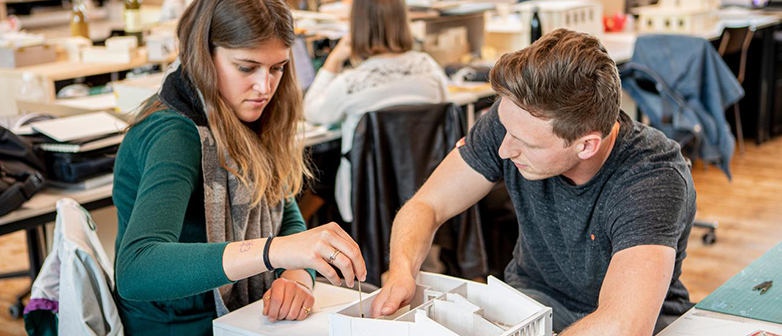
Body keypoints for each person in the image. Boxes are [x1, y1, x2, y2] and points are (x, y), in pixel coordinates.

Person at [370, 29, 696, 335]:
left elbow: (624, 325)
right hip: (528, 304)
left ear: (586, 145)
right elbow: (428, 204)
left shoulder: (651, 178)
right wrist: (401, 271)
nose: (504, 149)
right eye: (505, 129)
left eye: (527, 144)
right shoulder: (516, 119)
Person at [112, 0, 366, 334]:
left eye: (277, 68)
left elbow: (284, 212)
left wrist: (296, 276)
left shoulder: (239, 112)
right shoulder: (175, 134)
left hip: (243, 316)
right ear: (203, 56)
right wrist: (275, 251)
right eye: (247, 68)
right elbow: (137, 270)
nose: (265, 88)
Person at [303, 0, 449, 223]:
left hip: (366, 196)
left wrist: (333, 60)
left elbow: (312, 112)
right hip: (423, 187)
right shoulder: (429, 68)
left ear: (357, 27)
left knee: (317, 171)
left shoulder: (352, 83)